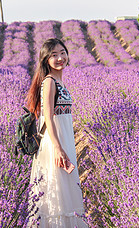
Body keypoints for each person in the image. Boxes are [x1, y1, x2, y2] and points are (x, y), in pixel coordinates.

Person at [26, 38, 88, 227]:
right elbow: (48, 118)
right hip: (54, 143)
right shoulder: (49, 82)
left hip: (63, 140)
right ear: (46, 60)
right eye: (54, 55)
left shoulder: (59, 82)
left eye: (62, 53)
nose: (60, 58)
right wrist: (58, 148)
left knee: (65, 187)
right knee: (56, 187)